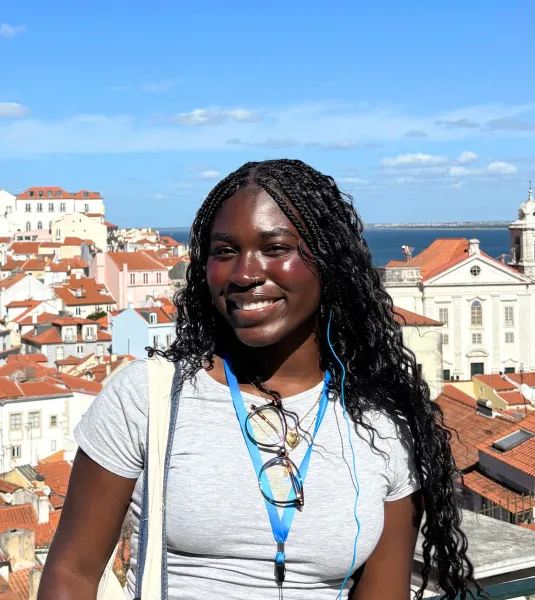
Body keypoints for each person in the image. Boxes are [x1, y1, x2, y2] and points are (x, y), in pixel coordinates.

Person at [40, 159, 478, 600]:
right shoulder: (149, 395)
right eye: (225, 251)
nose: (245, 274)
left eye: (275, 248)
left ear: (330, 262)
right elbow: (71, 573)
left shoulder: (382, 427)